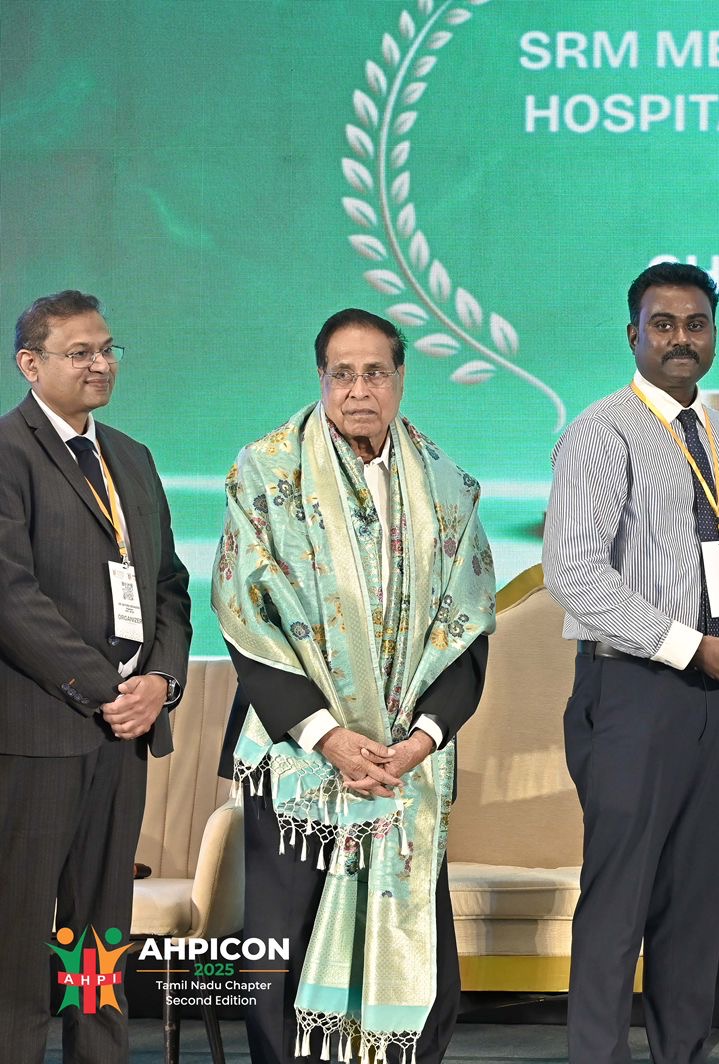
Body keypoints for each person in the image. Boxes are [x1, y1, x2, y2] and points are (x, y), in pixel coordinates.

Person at [213, 308, 494, 1064]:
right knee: (284, 954)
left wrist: (420, 741)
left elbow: (468, 628)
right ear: (322, 379)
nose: (358, 390)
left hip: (405, 769)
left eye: (375, 373)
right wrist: (329, 737)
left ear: (400, 379)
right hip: (300, 758)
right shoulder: (265, 472)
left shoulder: (447, 486)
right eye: (343, 374)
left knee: (418, 954)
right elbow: (245, 614)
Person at [544, 262, 719, 1064]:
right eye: (663, 324)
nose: (681, 339)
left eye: (696, 324)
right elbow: (574, 571)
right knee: (619, 901)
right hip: (633, 688)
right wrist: (684, 644)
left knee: (696, 900)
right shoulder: (602, 431)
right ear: (633, 333)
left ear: (714, 334)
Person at [0, 290, 192, 1064]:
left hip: (123, 738)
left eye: (108, 349)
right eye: (80, 353)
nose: (101, 364)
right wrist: (109, 690)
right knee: (18, 931)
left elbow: (170, 587)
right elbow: (11, 596)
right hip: (39, 733)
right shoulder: (7, 454)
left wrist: (160, 682)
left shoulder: (131, 458)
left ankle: (97, 1055)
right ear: (30, 364)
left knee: (98, 933)